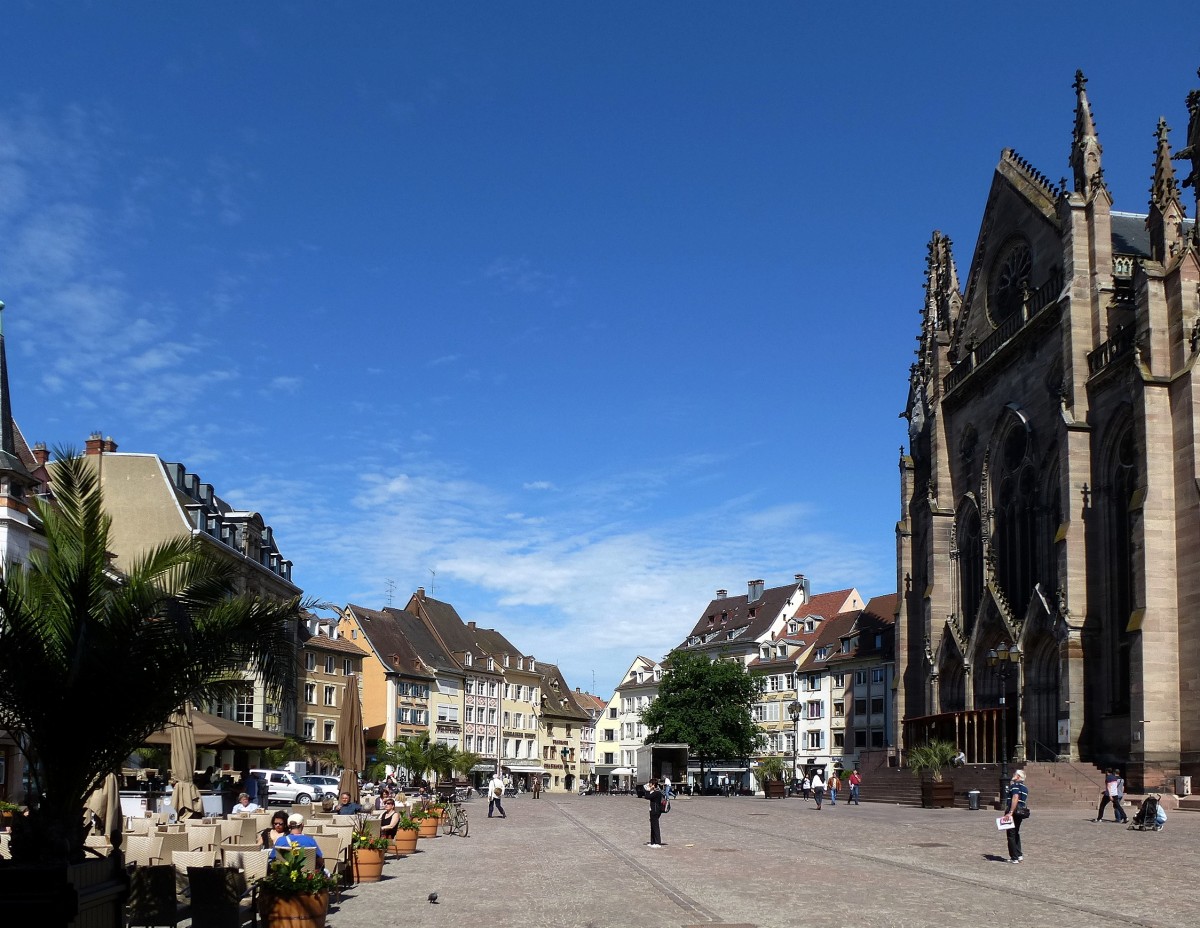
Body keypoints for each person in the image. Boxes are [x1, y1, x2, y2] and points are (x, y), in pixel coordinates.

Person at [1001, 769, 1029, 863]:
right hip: (1020, 812)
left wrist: (1011, 811)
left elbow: (1015, 797)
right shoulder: (1025, 788)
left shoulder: (1014, 786)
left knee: (1011, 834)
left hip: (1013, 811)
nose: (1013, 775)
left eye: (1014, 774)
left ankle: (1014, 857)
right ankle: (1019, 854)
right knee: (1016, 832)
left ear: (1018, 777)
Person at [636, 778, 666, 848]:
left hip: (655, 811)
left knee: (655, 826)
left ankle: (657, 842)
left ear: (653, 785)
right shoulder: (655, 792)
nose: (649, 786)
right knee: (652, 826)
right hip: (652, 810)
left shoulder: (657, 792)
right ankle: (653, 842)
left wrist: (648, 790)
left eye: (650, 784)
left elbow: (647, 796)